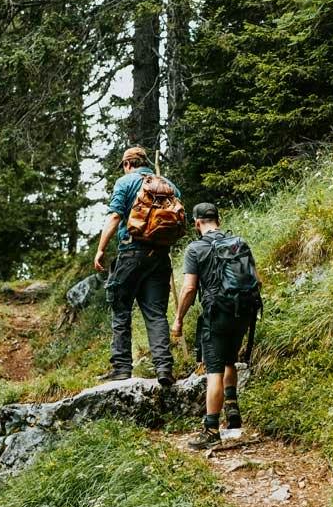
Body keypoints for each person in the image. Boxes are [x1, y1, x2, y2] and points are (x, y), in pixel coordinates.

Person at [172, 203, 261, 450]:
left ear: (197, 223)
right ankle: (232, 413)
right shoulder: (238, 243)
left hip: (217, 314)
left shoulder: (195, 249)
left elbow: (189, 288)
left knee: (214, 371)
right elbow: (257, 279)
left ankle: (211, 429)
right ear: (218, 220)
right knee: (230, 360)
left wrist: (178, 318)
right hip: (243, 311)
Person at [94, 146, 180, 385]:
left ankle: (121, 368)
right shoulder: (168, 184)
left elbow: (114, 216)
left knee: (121, 308)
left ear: (127, 164)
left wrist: (101, 249)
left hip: (131, 252)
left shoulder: (125, 182)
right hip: (160, 255)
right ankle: (164, 368)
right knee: (155, 314)